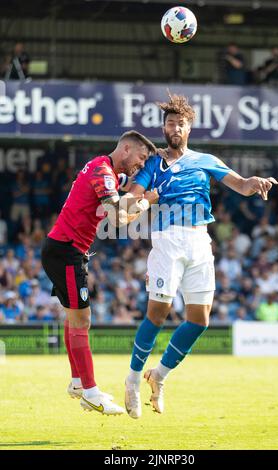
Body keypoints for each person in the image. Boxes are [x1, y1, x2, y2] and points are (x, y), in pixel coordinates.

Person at [124, 92, 278, 419]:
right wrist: (134, 201)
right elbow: (131, 200)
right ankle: (133, 378)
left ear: (189, 128)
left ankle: (159, 376)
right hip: (167, 240)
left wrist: (256, 182)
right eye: (170, 123)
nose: (175, 128)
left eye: (180, 124)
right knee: (158, 313)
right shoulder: (153, 163)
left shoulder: (205, 160)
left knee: (200, 320)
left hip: (199, 241)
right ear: (163, 128)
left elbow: (240, 183)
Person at [41, 130, 158, 416]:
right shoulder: (103, 173)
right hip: (67, 250)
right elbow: (117, 219)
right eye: (141, 158)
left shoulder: (106, 171)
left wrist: (139, 195)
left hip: (63, 248)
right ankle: (91, 394)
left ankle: (79, 383)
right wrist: (146, 202)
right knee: (82, 319)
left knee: (75, 317)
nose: (140, 165)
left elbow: (119, 202)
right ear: (126, 149)